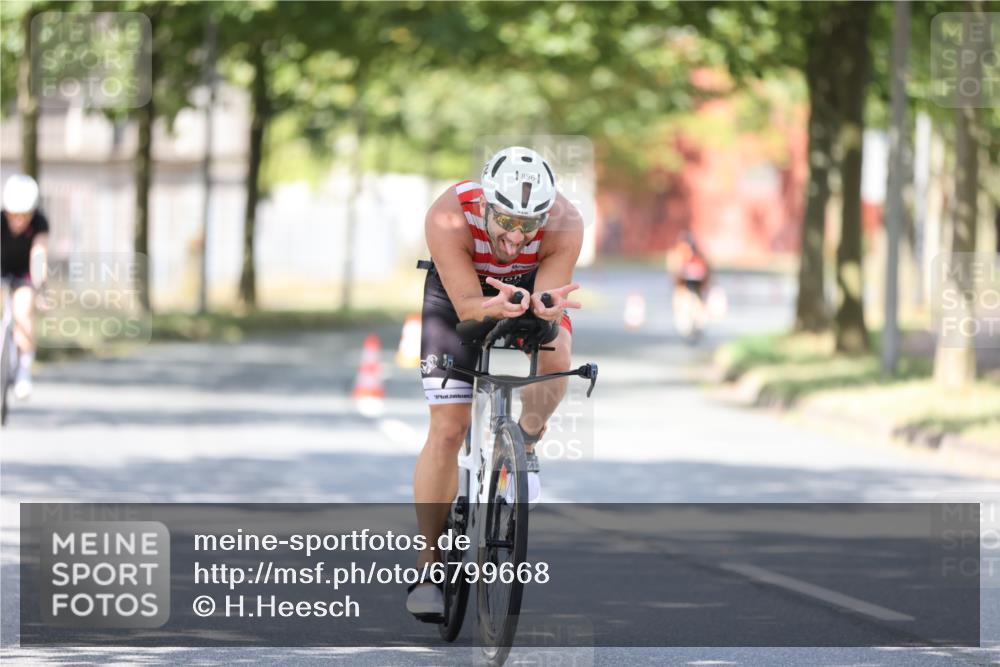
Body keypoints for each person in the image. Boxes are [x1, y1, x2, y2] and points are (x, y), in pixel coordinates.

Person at [407, 146, 583, 619]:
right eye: (505, 220)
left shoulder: (566, 221)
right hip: (459, 294)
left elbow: (551, 300)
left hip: (526, 289)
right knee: (448, 429)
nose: (515, 234)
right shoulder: (448, 214)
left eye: (529, 226)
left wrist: (546, 309)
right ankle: (428, 567)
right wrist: (491, 305)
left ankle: (523, 440)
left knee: (558, 352)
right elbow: (467, 307)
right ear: (485, 203)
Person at [1, 174, 48, 399]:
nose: (19, 221)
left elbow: (39, 255)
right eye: (14, 215)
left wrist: (38, 287)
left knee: (24, 310)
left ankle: (23, 371)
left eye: (24, 215)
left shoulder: (39, 222)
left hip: (24, 275)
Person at [670, 232, 711, 341]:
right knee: (684, 309)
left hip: (696, 288)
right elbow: (675, 277)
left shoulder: (699, 258)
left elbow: (706, 274)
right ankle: (687, 329)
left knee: (697, 309)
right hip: (684, 288)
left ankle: (697, 328)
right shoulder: (678, 258)